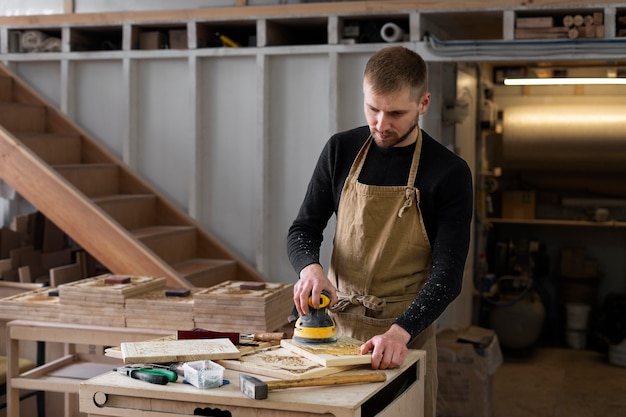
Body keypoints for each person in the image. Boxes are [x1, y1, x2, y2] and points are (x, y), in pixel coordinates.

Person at [286, 46, 473, 417]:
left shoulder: (448, 171)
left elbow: (448, 276)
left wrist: (400, 332)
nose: (382, 124)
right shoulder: (341, 150)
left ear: (424, 103)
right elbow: (303, 229)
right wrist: (311, 269)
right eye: (373, 108)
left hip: (404, 335)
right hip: (335, 329)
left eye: (396, 113)